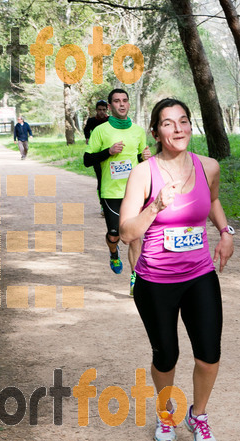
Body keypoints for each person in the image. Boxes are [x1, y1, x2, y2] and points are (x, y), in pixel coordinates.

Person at [119, 98, 234, 441]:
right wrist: (155, 206)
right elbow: (126, 231)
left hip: (199, 274)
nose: (178, 128)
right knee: (166, 355)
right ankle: (165, 410)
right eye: (168, 123)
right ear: (156, 132)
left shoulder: (208, 166)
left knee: (209, 355)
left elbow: (212, 201)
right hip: (155, 279)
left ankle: (197, 415)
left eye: (183, 121)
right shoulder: (144, 173)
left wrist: (225, 231)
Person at [84, 89, 151, 295]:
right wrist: (108, 152)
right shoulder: (100, 131)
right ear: (111, 106)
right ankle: (113, 253)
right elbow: (87, 160)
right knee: (115, 235)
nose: (121, 104)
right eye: (116, 101)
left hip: (135, 192)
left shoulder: (139, 131)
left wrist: (146, 157)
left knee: (134, 236)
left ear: (129, 104)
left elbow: (141, 161)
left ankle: (135, 278)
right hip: (111, 192)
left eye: (124, 101)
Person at [83, 100, 109, 216]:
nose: (102, 112)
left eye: (104, 110)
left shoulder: (110, 121)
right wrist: (88, 137)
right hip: (96, 155)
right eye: (100, 110)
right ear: (96, 110)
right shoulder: (92, 121)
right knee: (101, 180)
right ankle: (103, 205)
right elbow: (86, 129)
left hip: (110, 154)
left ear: (107, 110)